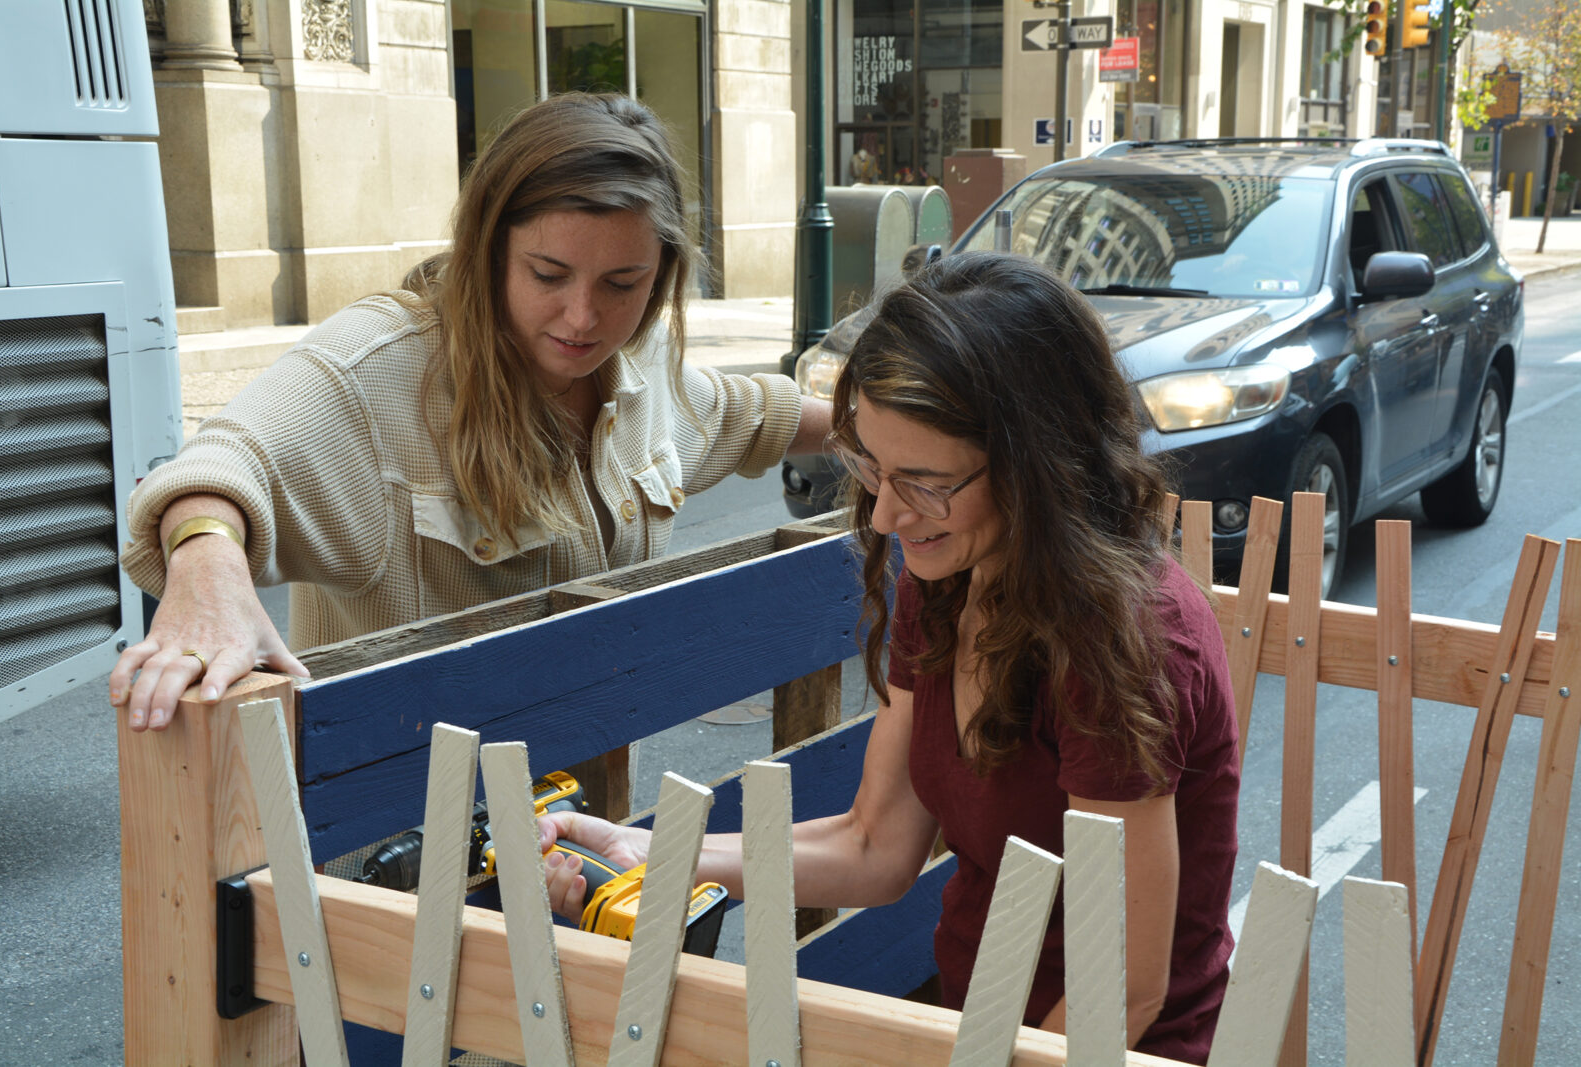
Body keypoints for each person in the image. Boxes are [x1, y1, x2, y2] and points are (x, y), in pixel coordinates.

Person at [537, 252, 1240, 1063]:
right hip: (980, 1027)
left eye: (926, 481)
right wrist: (654, 853)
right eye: (872, 468)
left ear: (1042, 466)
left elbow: (1125, 991)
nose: (885, 516)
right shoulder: (952, 578)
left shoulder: (1125, 641)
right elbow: (875, 845)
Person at [111, 93, 831, 732]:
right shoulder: (381, 366)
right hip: (391, 842)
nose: (583, 316)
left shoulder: (639, 370)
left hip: (575, 832)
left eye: (623, 282)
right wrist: (208, 578)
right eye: (548, 275)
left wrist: (885, 427)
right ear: (488, 250)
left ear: (663, 273)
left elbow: (750, 412)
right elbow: (219, 463)